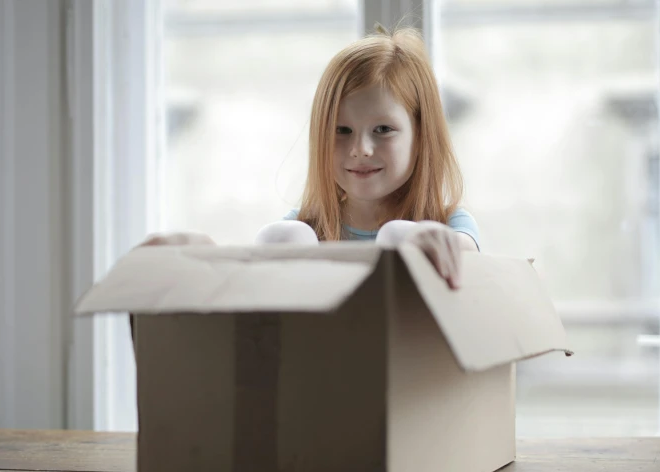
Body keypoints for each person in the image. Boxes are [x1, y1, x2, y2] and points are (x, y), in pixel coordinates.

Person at [144, 25, 479, 289]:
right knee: (284, 238)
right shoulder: (305, 229)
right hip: (318, 365)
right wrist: (203, 253)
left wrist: (424, 239)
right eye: (342, 130)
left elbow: (473, 266)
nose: (360, 148)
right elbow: (251, 285)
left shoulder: (450, 223)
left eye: (382, 130)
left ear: (421, 137)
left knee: (398, 238)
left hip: (410, 364)